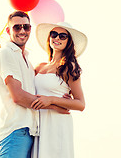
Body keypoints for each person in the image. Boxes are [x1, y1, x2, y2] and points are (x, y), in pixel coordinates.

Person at [0, 11, 69, 158]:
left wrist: (61, 95)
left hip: (30, 131)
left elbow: (40, 86)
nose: (22, 31)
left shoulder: (26, 59)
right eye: (17, 27)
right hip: (16, 131)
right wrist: (55, 106)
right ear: (8, 30)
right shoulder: (6, 53)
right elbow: (18, 96)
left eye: (26, 27)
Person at [31, 22, 87, 158]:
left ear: (68, 42)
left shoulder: (69, 67)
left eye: (63, 36)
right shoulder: (39, 67)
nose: (57, 39)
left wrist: (51, 100)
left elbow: (81, 104)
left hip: (57, 123)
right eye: (54, 34)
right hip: (38, 123)